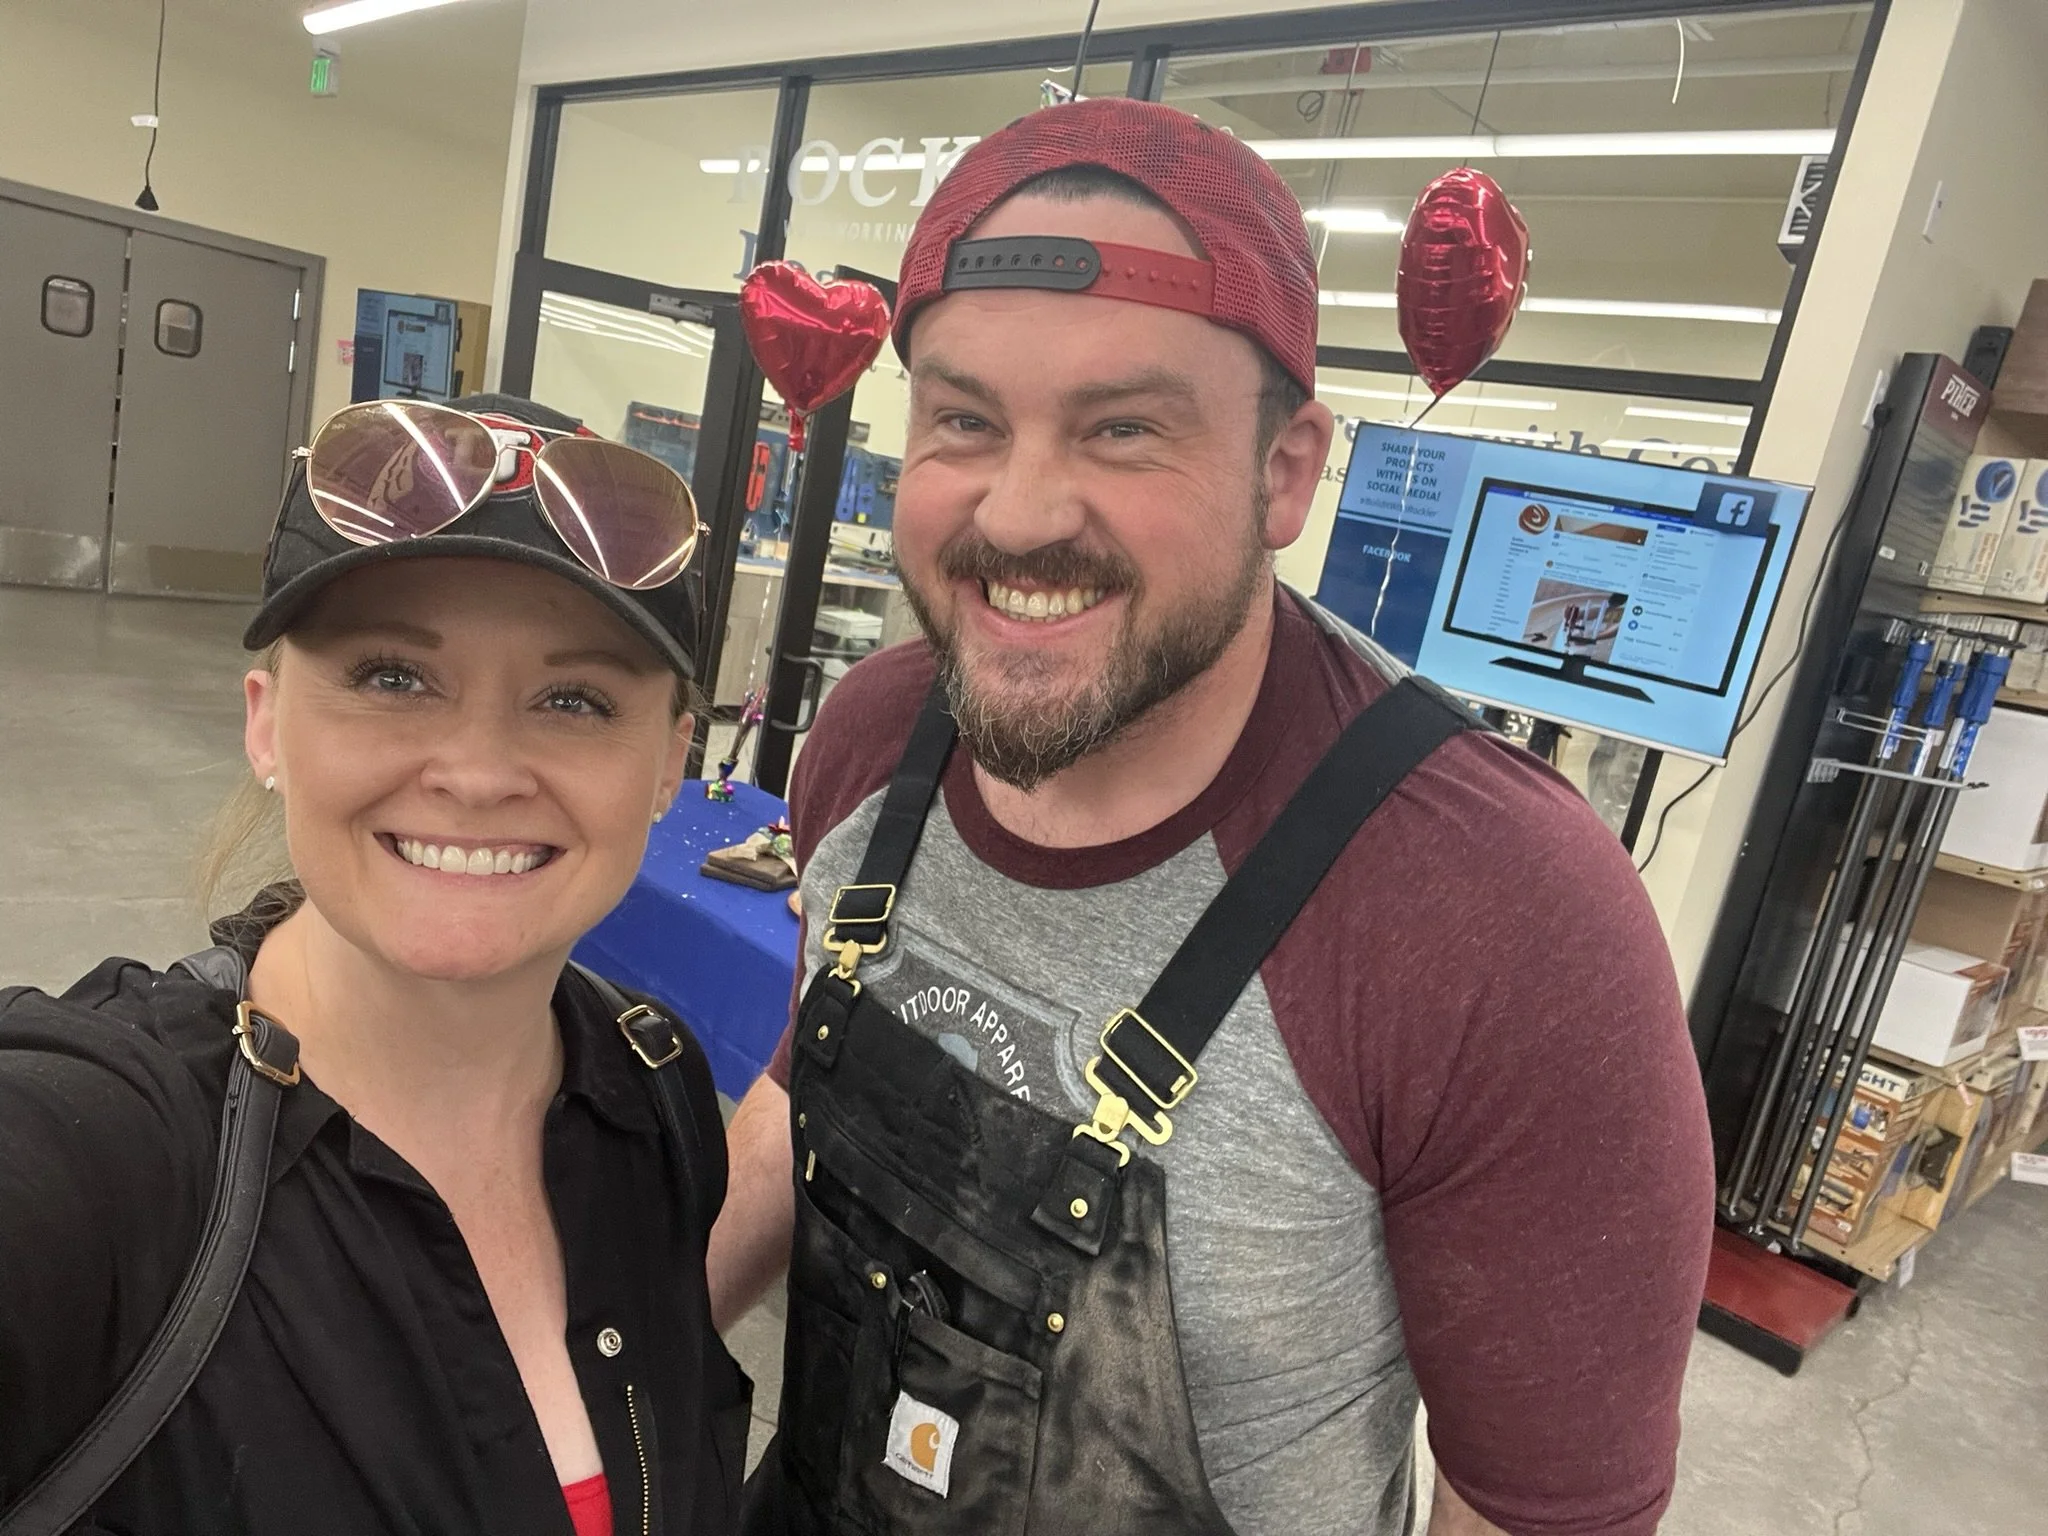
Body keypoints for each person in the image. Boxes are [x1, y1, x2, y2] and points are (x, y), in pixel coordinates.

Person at [707, 100, 1715, 1536]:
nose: (1021, 510)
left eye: (1125, 428)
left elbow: (1543, 1517)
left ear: (1286, 471)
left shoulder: (1501, 919)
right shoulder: (872, 737)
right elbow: (798, 1089)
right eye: (965, 421)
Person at [0, 395, 751, 1536]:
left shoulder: (654, 1095)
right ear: (266, 724)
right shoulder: (108, 1156)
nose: (479, 769)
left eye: (574, 699)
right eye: (394, 677)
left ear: (666, 765)